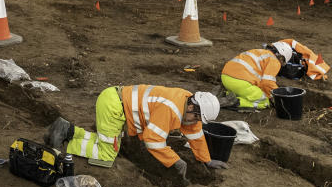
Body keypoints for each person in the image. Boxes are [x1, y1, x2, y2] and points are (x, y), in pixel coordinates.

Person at [46, 87, 224, 177]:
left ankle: (67, 130)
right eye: (197, 117)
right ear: (193, 105)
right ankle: (64, 142)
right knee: (106, 154)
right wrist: (175, 161)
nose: (196, 122)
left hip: (114, 101)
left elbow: (196, 134)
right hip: (114, 107)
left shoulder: (187, 103)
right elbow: (153, 141)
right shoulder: (170, 109)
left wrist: (206, 160)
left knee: (107, 141)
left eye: (199, 120)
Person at [219, 43, 295, 110]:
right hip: (240, 82)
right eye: (282, 62)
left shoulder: (259, 52)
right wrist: (278, 96)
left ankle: (227, 95)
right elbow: (267, 83)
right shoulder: (274, 61)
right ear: (282, 58)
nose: (281, 64)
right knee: (264, 100)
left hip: (225, 77)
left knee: (255, 91)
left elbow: (262, 82)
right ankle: (235, 102)